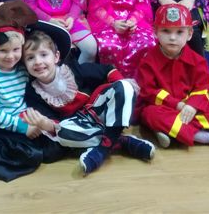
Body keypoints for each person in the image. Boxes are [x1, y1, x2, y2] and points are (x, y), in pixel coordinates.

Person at [20, 23, 154, 175]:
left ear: (56, 57)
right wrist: (45, 124)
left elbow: (107, 70)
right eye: (30, 58)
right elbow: (54, 123)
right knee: (61, 135)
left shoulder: (72, 69)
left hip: (99, 111)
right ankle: (118, 141)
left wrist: (122, 84)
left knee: (125, 86)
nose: (38, 62)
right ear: (25, 64)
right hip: (77, 126)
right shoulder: (33, 91)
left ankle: (102, 150)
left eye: (43, 55)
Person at [0, 1, 66, 181]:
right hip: (2, 127)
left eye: (16, 50)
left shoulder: (21, 69)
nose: (10, 56)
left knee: (54, 149)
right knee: (31, 155)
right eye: (3, 51)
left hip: (24, 119)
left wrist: (35, 121)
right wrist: (23, 128)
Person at [136, 4, 209, 148]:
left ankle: (171, 131)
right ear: (155, 32)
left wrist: (192, 106)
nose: (172, 37)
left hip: (189, 109)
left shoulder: (197, 61)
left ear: (189, 34)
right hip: (163, 108)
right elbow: (149, 92)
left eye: (179, 32)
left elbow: (202, 88)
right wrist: (176, 105)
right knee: (149, 114)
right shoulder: (148, 61)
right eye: (165, 31)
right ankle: (202, 137)